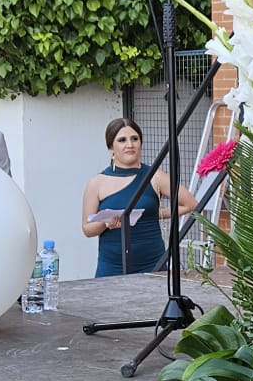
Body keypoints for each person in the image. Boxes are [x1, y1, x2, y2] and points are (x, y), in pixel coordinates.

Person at [82, 117, 198, 276]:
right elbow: (87, 229)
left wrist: (155, 214)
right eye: (122, 140)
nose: (129, 144)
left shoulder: (155, 176)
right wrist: (106, 224)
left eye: (134, 139)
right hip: (112, 267)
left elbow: (190, 204)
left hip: (153, 265)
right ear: (111, 146)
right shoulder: (97, 183)